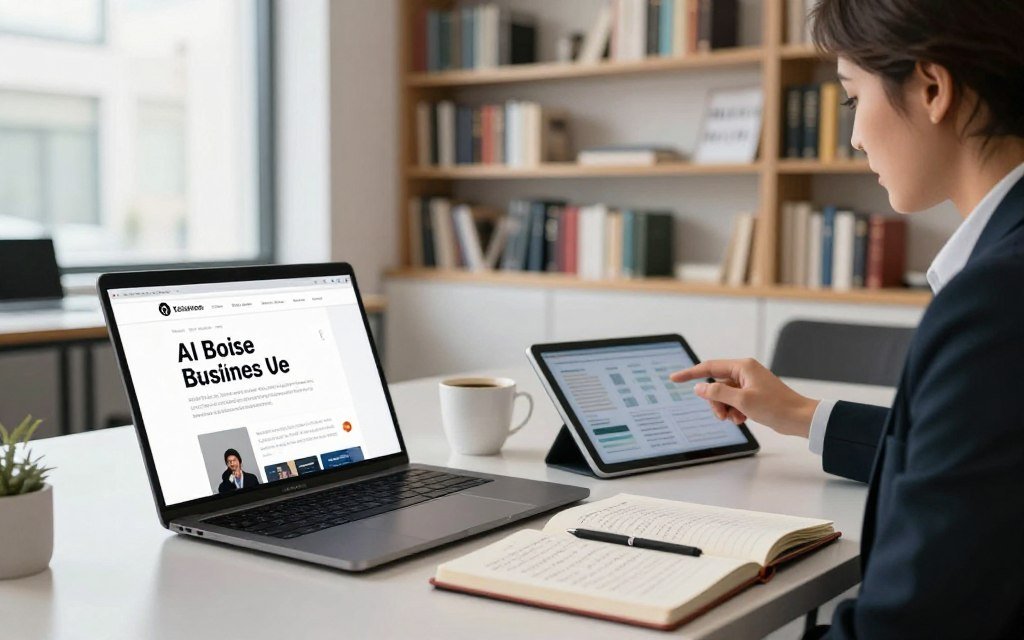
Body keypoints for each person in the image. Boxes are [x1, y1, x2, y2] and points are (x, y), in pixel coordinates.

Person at [670, 1, 1024, 637]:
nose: (856, 136)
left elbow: (913, 625)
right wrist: (801, 414)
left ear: (933, 88)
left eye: (851, 97)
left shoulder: (996, 299)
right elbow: (980, 457)